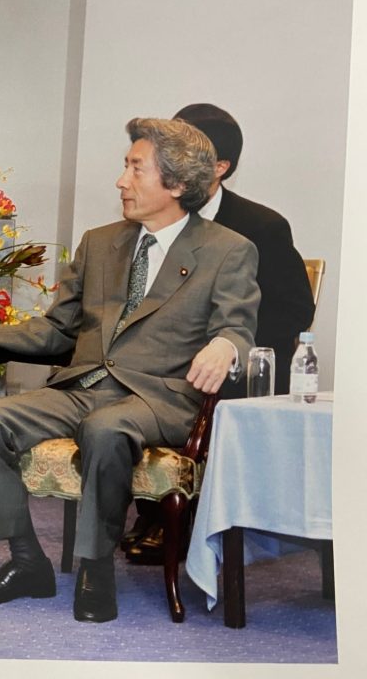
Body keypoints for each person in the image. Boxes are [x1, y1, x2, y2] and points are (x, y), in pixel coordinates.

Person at [0, 117, 259, 622]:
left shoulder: (228, 250)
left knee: (106, 427)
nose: (121, 181)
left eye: (136, 169)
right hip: (83, 387)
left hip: (158, 399)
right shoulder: (99, 243)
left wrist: (225, 345)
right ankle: (27, 561)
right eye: (125, 166)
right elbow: (59, 329)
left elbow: (239, 328)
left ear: (177, 183)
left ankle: (96, 570)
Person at [123, 103, 316, 565]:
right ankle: (147, 509)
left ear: (219, 167)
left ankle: (180, 517)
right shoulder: (150, 216)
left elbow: (294, 310)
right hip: (156, 359)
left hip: (230, 364)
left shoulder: (262, 226)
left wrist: (227, 344)